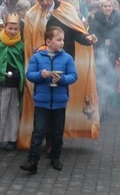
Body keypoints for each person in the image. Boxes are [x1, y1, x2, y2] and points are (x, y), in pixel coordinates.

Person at [17, 0, 99, 149]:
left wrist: (88, 38)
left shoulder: (67, 9)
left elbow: (77, 32)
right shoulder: (32, 14)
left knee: (59, 104)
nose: (45, 2)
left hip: (62, 63)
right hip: (41, 64)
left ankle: (55, 141)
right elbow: (29, 41)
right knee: (42, 103)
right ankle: (45, 139)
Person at [20, 26, 78, 174]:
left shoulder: (67, 58)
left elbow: (74, 76)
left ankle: (56, 157)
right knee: (38, 131)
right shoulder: (37, 57)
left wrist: (62, 79)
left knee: (57, 132)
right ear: (48, 41)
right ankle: (32, 160)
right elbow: (29, 75)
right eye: (59, 40)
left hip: (59, 102)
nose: (62, 43)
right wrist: (41, 75)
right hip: (42, 101)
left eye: (63, 40)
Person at [0, 13, 25, 152]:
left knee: (11, 112)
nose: (13, 31)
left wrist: (17, 74)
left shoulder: (20, 45)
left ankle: (11, 138)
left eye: (16, 29)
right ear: (5, 27)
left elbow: (22, 63)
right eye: (10, 28)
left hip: (12, 84)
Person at [88, 0, 120, 115]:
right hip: (100, 54)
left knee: (110, 79)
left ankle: (106, 104)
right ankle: (99, 106)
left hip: (112, 54)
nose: (108, 8)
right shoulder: (95, 20)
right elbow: (93, 36)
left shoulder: (117, 19)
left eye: (109, 6)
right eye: (105, 6)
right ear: (101, 7)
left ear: (113, 7)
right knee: (100, 80)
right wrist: (102, 46)